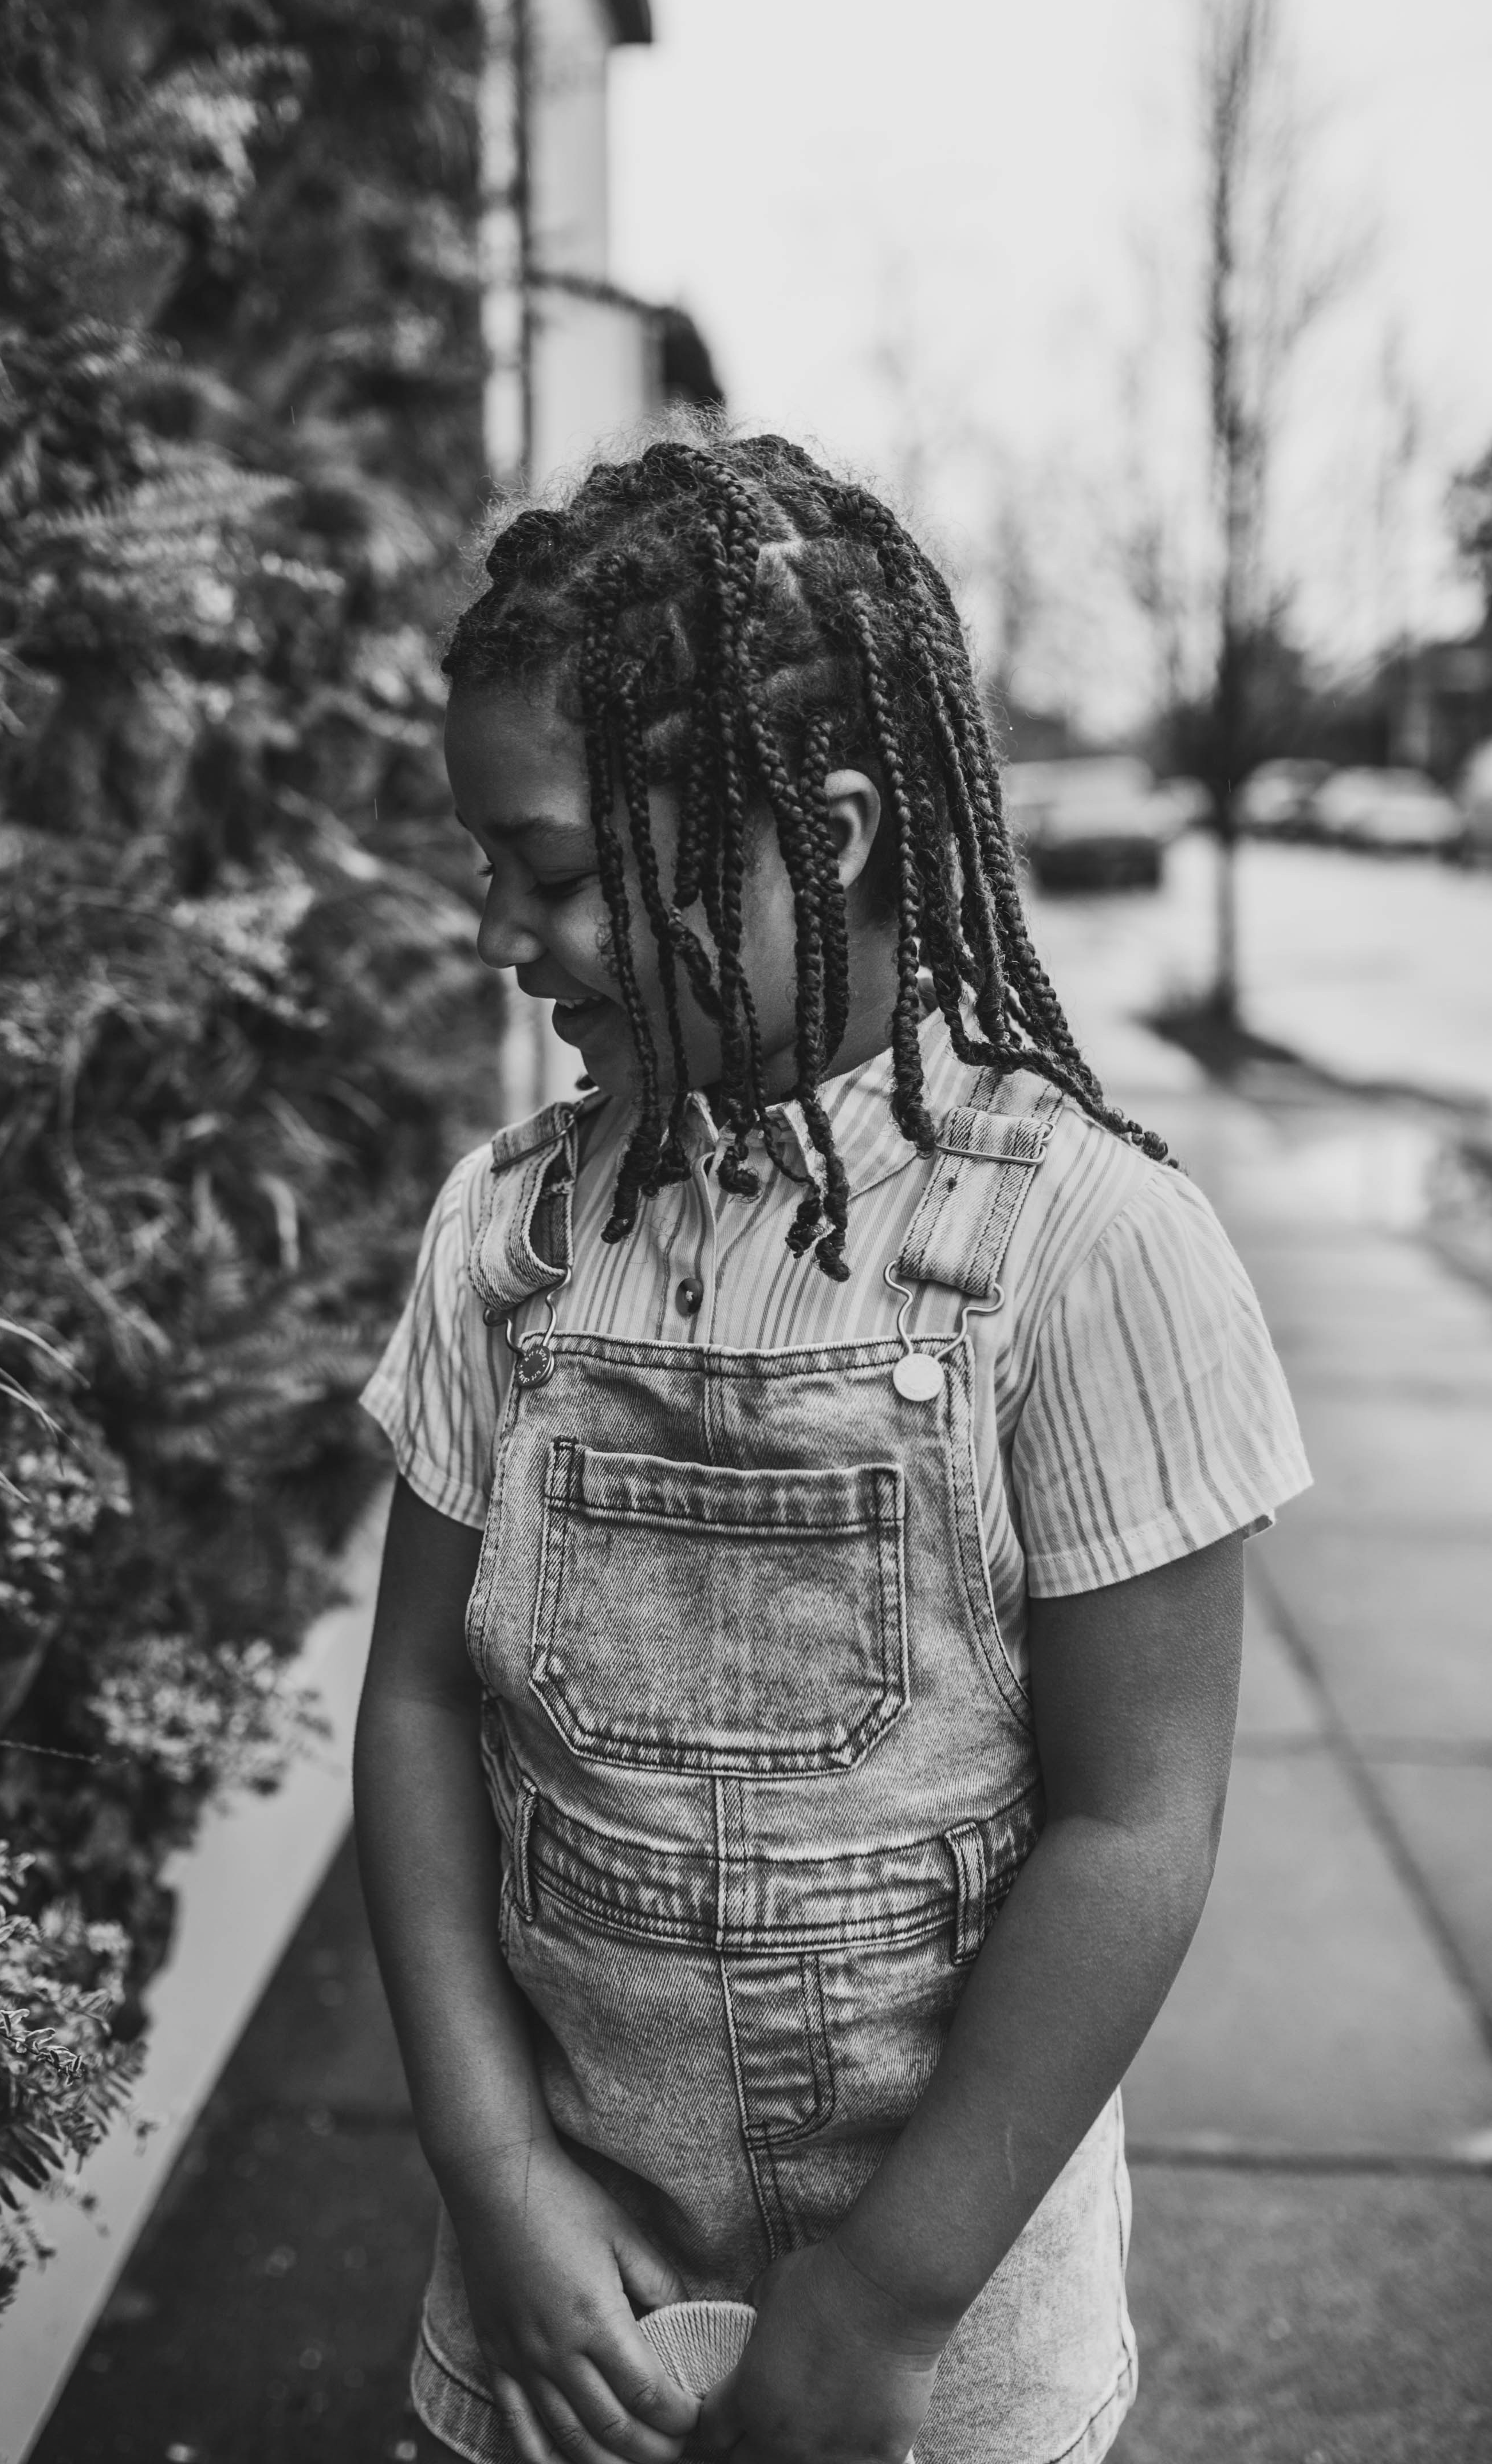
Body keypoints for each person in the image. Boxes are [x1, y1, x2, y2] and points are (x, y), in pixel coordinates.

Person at [353, 427, 1310, 2464]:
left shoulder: (1090, 1252)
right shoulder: (507, 1236)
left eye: (551, 872)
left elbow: (1138, 1828)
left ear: (835, 828)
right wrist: (486, 2161)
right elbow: (422, 1701)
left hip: (940, 2317)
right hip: (566, 2286)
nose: (506, 939)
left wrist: (881, 2308)